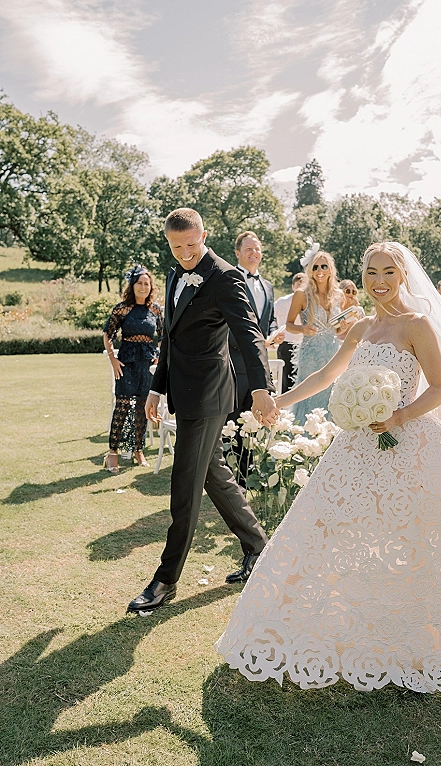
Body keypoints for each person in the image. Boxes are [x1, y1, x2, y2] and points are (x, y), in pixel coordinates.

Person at [216, 242, 441, 695]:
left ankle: (427, 631)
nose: (380, 280)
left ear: (403, 276)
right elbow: (325, 376)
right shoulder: (362, 326)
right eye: (372, 271)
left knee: (421, 537)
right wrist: (278, 402)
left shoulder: (417, 324)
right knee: (325, 529)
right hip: (356, 448)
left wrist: (398, 417)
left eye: (389, 271)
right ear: (363, 275)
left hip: (408, 440)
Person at [127, 208, 278, 613]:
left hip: (210, 395)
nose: (185, 254)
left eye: (192, 245)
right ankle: (260, 549)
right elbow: (171, 340)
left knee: (185, 486)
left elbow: (249, 334)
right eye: (177, 247)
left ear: (204, 235)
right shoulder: (176, 272)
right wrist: (156, 389)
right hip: (181, 389)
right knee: (215, 476)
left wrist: (261, 387)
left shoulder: (225, 275)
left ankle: (165, 580)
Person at [228, 231, 283, 483]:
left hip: (259, 364)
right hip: (234, 361)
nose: (254, 252)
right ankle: (230, 474)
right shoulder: (228, 279)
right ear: (238, 253)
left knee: (256, 416)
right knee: (233, 418)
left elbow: (269, 320)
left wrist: (272, 334)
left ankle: (249, 471)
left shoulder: (268, 286)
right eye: (248, 249)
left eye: (257, 248)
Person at [102, 266, 163, 473]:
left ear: (151, 287)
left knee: (142, 407)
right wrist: (113, 358)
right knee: (123, 405)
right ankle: (112, 453)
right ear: (133, 285)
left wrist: (159, 359)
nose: (143, 287)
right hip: (127, 362)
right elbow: (107, 334)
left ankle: (138, 450)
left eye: (147, 283)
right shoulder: (122, 308)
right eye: (140, 283)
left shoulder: (156, 310)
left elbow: (163, 337)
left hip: (147, 363)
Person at [286, 245, 344, 422]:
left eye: (324, 266)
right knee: (308, 396)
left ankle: (327, 441)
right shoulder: (301, 294)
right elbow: (288, 325)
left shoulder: (339, 295)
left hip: (333, 353)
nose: (319, 271)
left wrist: (345, 324)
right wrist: (302, 329)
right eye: (315, 267)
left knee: (331, 396)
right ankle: (303, 443)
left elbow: (338, 330)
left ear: (330, 270)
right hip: (311, 356)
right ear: (310, 270)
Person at [274, 272, 306, 393]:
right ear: (293, 286)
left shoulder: (309, 303)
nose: (301, 287)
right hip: (286, 344)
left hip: (303, 345)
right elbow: (271, 318)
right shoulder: (282, 302)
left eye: (304, 284)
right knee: (285, 381)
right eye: (298, 284)